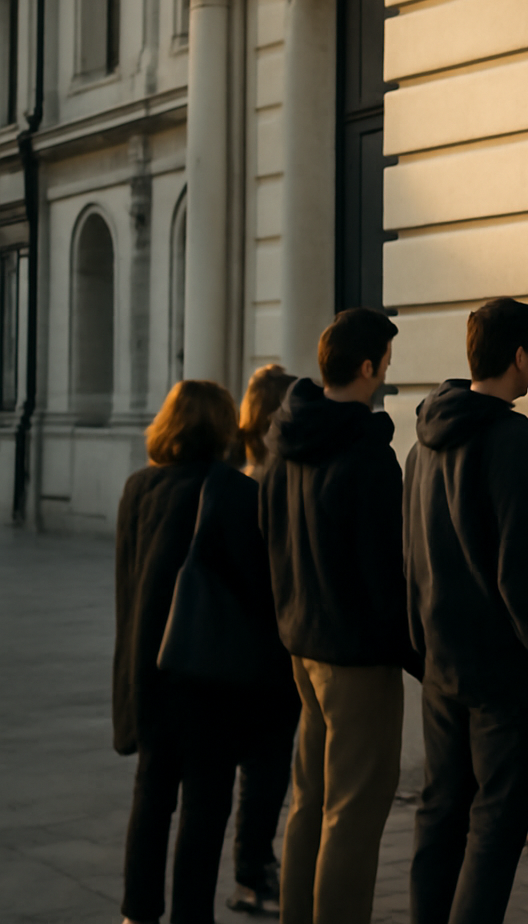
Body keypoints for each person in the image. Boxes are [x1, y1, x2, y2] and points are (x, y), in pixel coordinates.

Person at [259, 308, 421, 924]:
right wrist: (415, 656)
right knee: (353, 810)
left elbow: (269, 542)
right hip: (356, 656)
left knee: (311, 800)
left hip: (303, 645)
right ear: (367, 366)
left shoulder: (285, 443)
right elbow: (387, 572)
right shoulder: (366, 454)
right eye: (384, 361)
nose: (386, 372)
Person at [404, 299, 528, 924]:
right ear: (519, 354)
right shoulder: (512, 437)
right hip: (498, 672)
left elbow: (410, 552)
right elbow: (523, 569)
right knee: (496, 821)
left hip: (439, 663)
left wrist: (419, 643)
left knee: (440, 811)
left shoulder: (422, 441)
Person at [114, 381, 279, 924]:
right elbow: (259, 595)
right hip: (212, 676)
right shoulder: (236, 492)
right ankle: (190, 915)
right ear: (222, 426)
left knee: (151, 800)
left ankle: (138, 913)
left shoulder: (138, 488)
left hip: (151, 672)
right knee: (205, 808)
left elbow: (127, 590)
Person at [226, 362, 300, 916]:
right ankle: (253, 868)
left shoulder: (237, 476)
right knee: (266, 764)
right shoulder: (273, 484)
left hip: (242, 642)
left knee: (259, 765)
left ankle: (254, 865)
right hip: (271, 644)